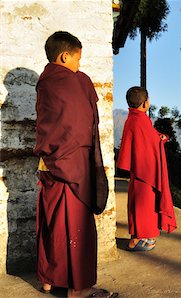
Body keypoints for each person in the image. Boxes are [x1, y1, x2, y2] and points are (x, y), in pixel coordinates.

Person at [34, 31, 117, 298]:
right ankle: (77, 288)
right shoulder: (71, 82)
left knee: (52, 224)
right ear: (65, 55)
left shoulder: (46, 82)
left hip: (49, 162)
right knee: (74, 225)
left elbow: (53, 123)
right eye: (78, 59)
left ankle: (48, 279)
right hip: (71, 164)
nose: (79, 66)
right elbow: (80, 125)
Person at [117, 87, 177, 251]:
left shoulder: (132, 118)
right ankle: (137, 240)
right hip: (146, 172)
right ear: (145, 103)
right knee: (144, 205)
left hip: (138, 170)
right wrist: (162, 139)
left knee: (137, 204)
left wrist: (157, 138)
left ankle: (137, 237)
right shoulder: (141, 119)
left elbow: (145, 139)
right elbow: (152, 141)